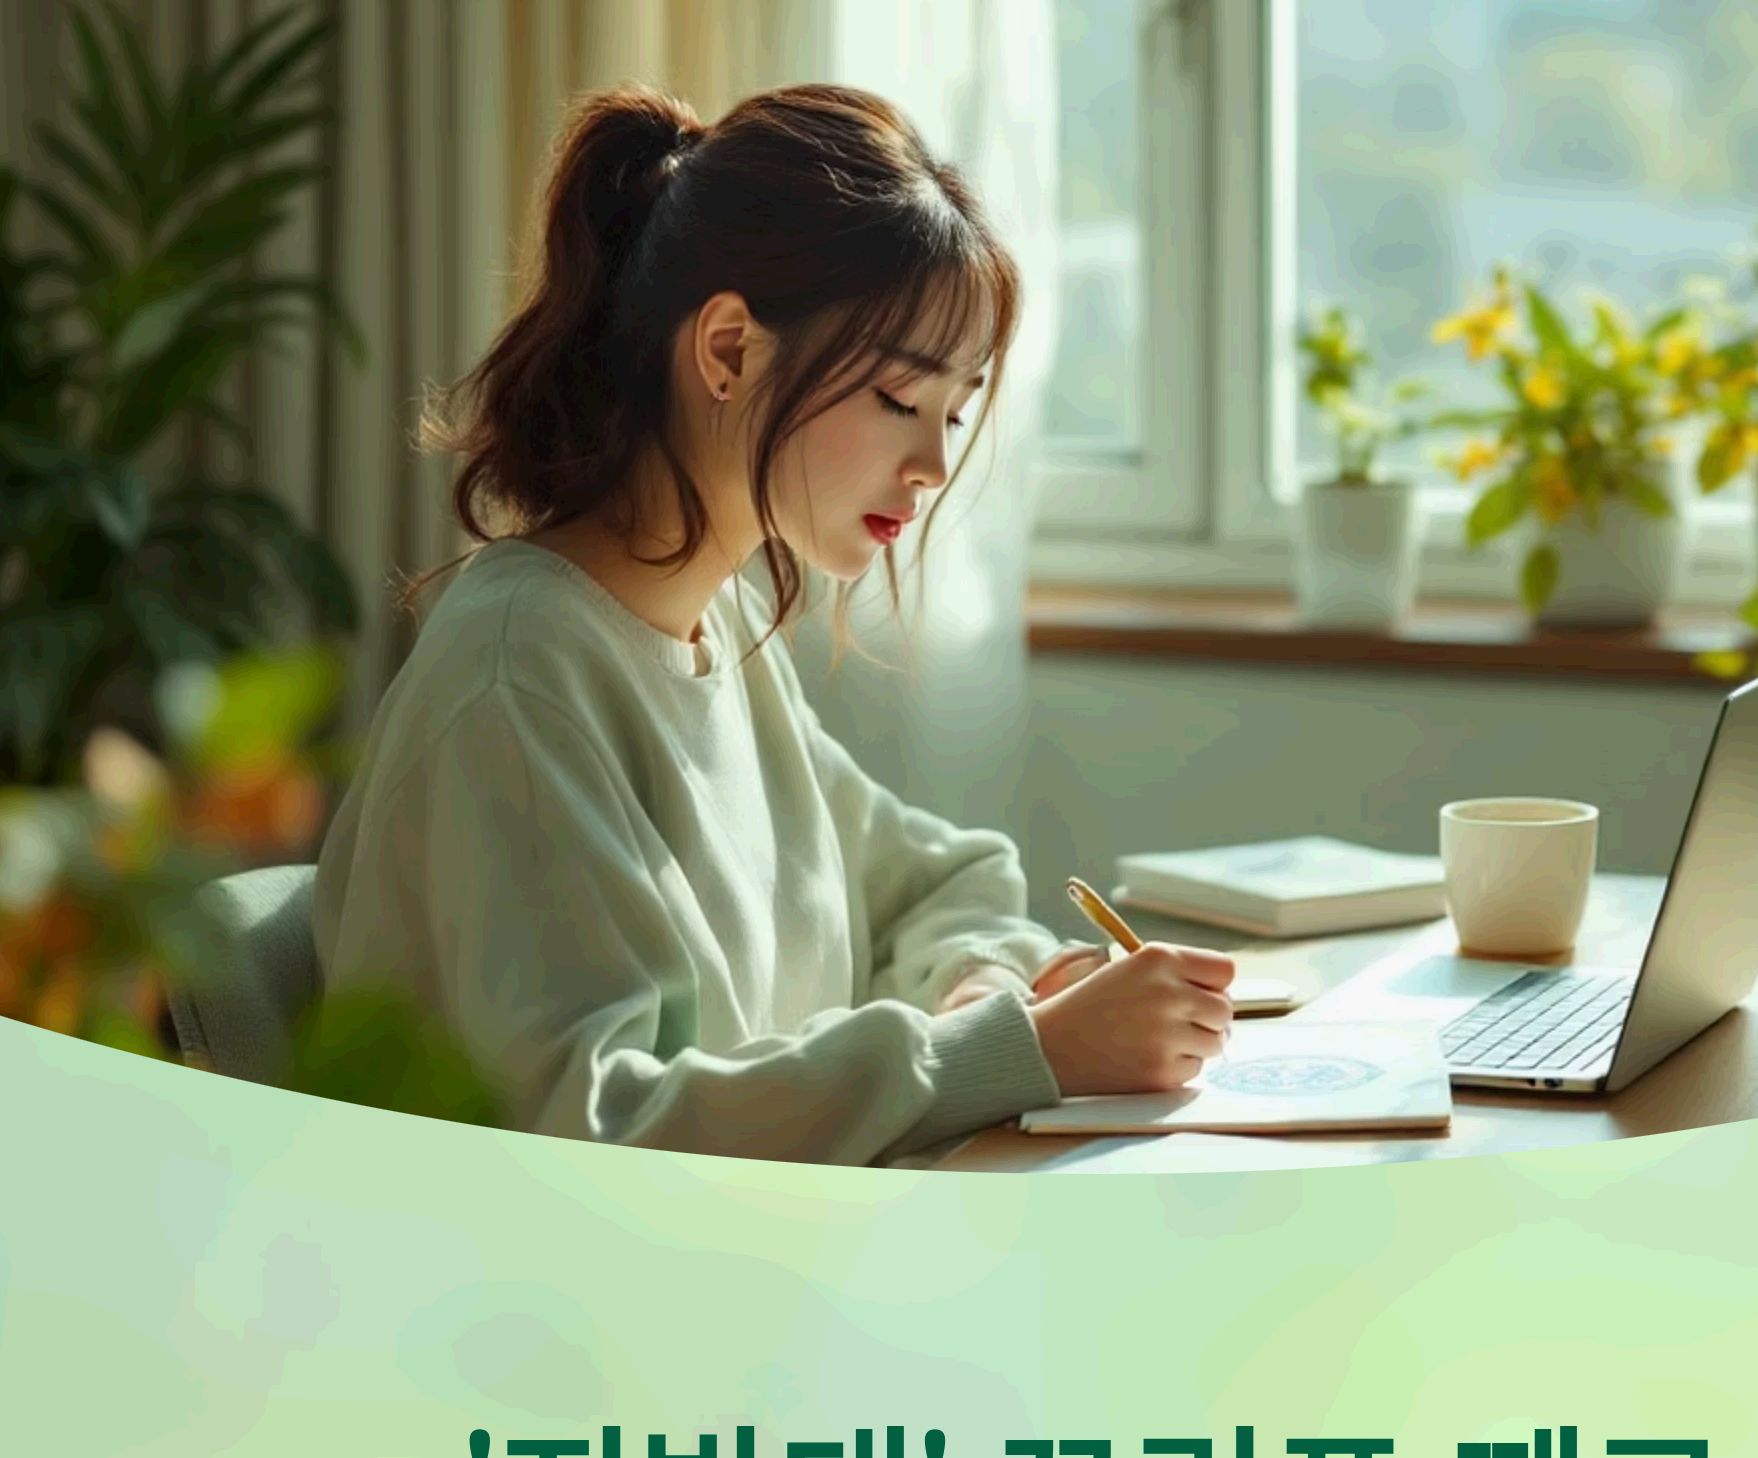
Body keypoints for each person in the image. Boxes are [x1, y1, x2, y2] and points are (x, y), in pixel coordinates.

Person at [313, 82, 1234, 1164]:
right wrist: (1017, 1050)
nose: (933, 465)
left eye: (956, 411)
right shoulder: (520, 674)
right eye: (900, 399)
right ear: (729, 352)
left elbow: (938, 881)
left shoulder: (717, 622)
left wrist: (985, 992)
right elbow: (591, 1125)